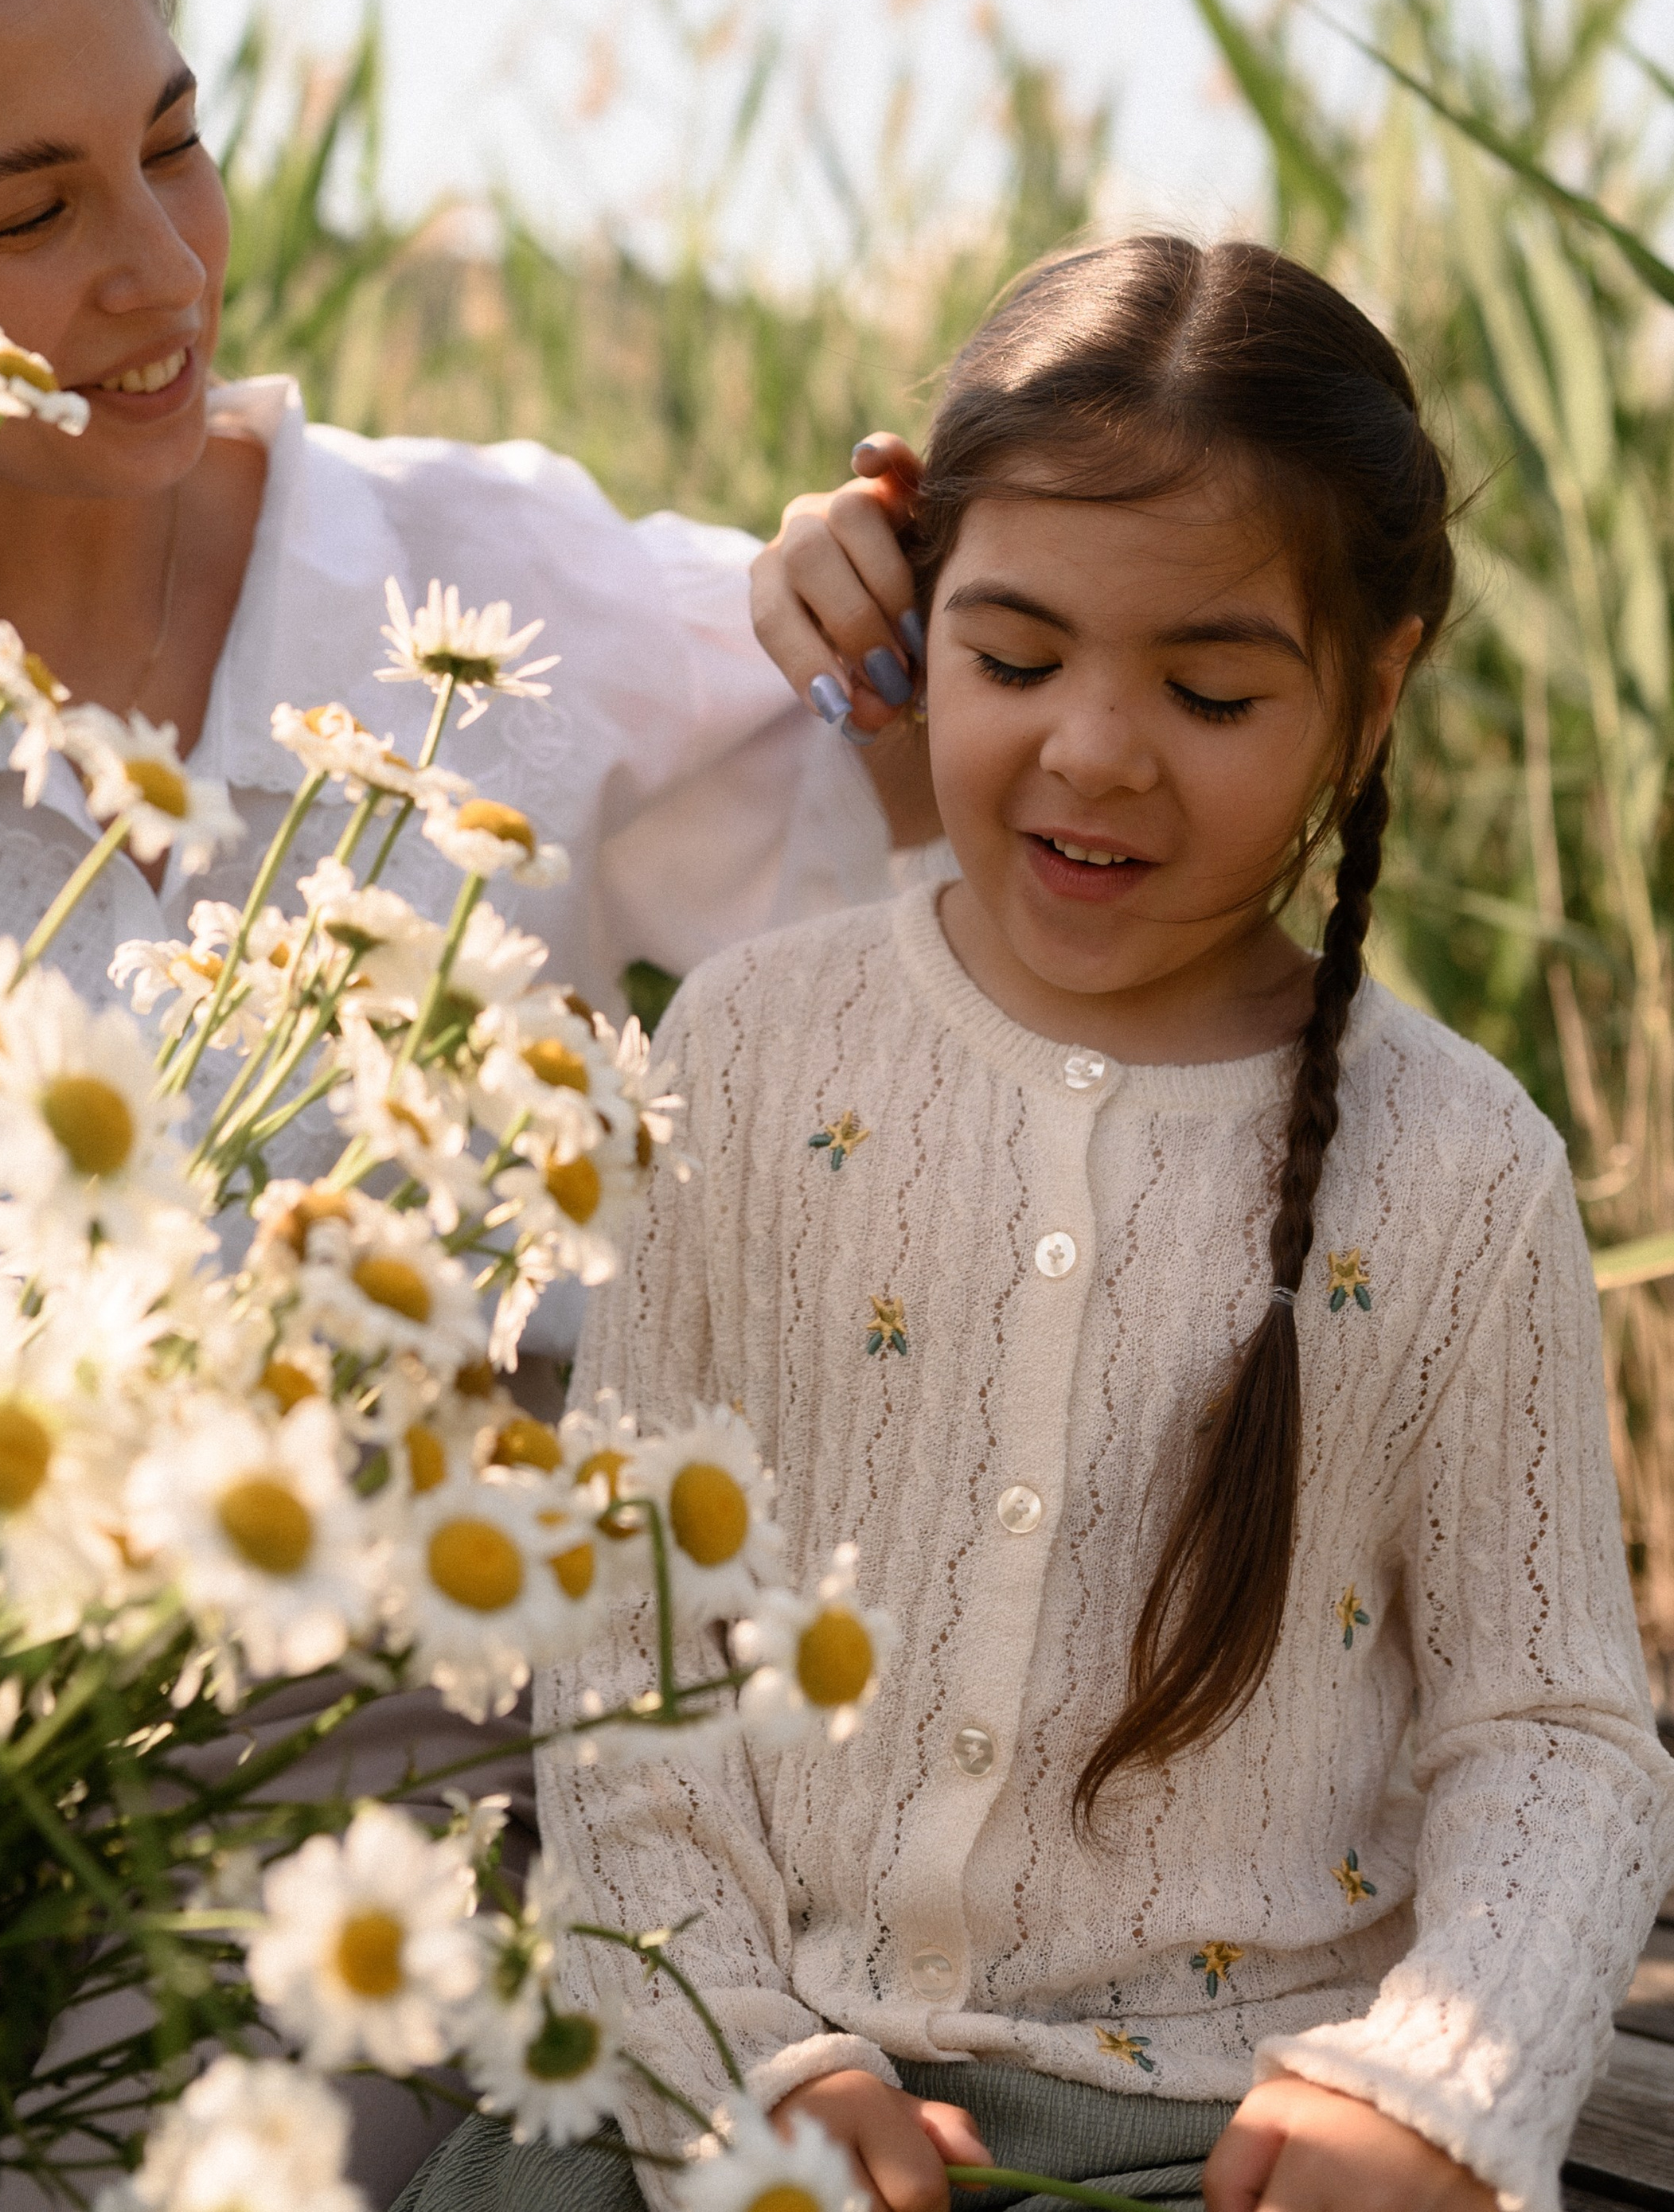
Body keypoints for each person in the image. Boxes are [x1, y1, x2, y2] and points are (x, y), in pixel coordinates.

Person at [0, 0, 925, 2196]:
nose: (156, 267)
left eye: (175, 143)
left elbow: (945, 895)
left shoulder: (457, 590)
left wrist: (913, 613)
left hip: (584, 1945)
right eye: (29, 207)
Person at [401, 237, 1674, 2212]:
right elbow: (622, 1657)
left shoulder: (1455, 1163)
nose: (1092, 746)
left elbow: (1553, 1728)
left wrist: (1428, 2083)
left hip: (1223, 2139)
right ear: (921, 622)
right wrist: (741, 2063)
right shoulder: (751, 1054)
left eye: (1210, 684)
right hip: (725, 2092)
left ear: (1373, 678)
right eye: (1011, 659)